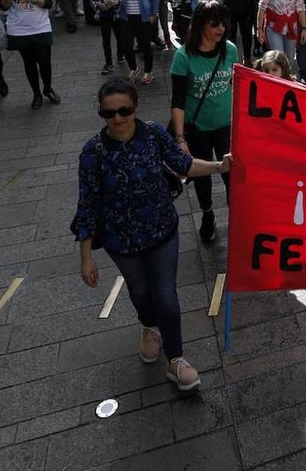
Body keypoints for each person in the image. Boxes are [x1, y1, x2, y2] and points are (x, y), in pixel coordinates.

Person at [74, 80, 232, 392]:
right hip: (121, 242)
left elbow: (183, 164)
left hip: (162, 232)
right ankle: (149, 327)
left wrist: (219, 166)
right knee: (140, 293)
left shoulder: (153, 134)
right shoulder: (92, 152)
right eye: (109, 113)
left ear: (135, 108)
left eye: (124, 110)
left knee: (166, 295)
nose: (117, 119)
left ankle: (176, 359)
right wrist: (86, 256)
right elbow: (87, 204)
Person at [170, 0, 238, 243]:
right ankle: (207, 213)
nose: (220, 28)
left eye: (224, 22)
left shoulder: (230, 50)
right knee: (201, 175)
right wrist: (180, 139)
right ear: (200, 25)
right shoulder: (183, 57)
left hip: (226, 126)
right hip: (197, 128)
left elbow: (235, 86)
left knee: (232, 174)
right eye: (214, 23)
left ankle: (237, 218)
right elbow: (177, 101)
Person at [0, 0, 60, 109]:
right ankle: (36, 94)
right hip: (19, 28)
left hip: (40, 26)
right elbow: (2, 6)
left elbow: (48, 3)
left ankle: (48, 88)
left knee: (45, 61)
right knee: (29, 63)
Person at [109, 0, 161, 85]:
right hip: (126, 16)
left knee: (145, 46)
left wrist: (154, 13)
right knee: (125, 45)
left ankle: (148, 72)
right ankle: (134, 68)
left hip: (143, 16)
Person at [90, 0, 120, 74]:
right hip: (103, 16)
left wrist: (114, 3)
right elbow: (92, 0)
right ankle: (108, 62)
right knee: (106, 40)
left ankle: (120, 54)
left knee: (120, 37)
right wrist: (98, 5)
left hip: (116, 15)